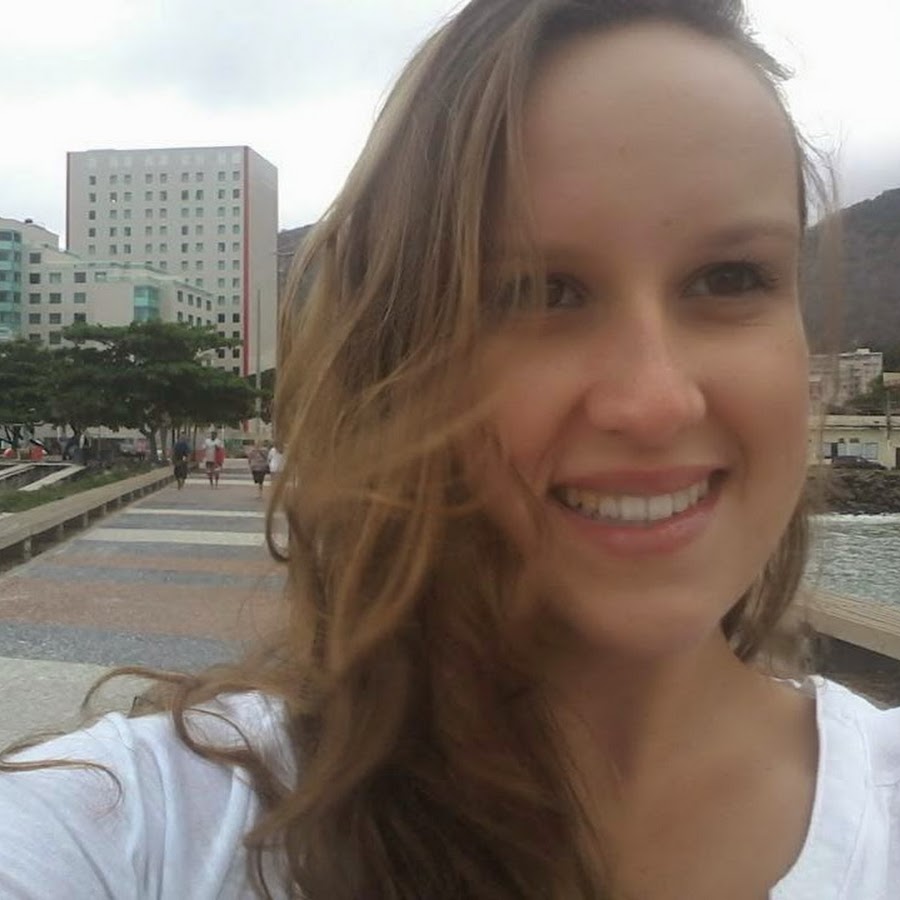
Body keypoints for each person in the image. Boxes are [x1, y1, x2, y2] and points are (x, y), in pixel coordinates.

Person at [0, 2, 897, 898]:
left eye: (729, 278)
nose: (656, 401)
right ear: (395, 359)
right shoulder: (144, 830)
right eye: (539, 291)